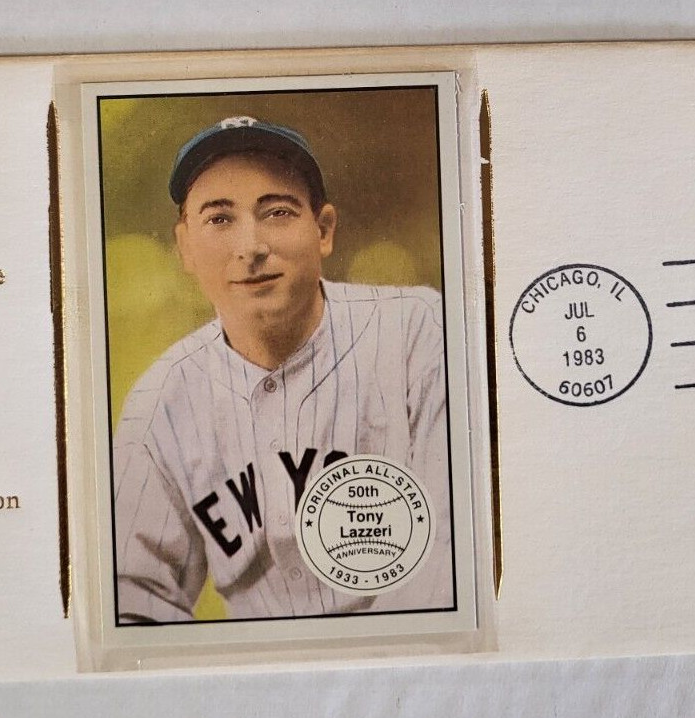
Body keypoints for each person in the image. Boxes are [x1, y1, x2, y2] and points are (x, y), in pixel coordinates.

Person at [110, 116, 452, 623]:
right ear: (185, 247)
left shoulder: (416, 331)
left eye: (277, 212)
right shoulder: (160, 400)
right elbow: (132, 597)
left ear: (323, 230)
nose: (250, 246)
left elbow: (454, 550)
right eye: (219, 219)